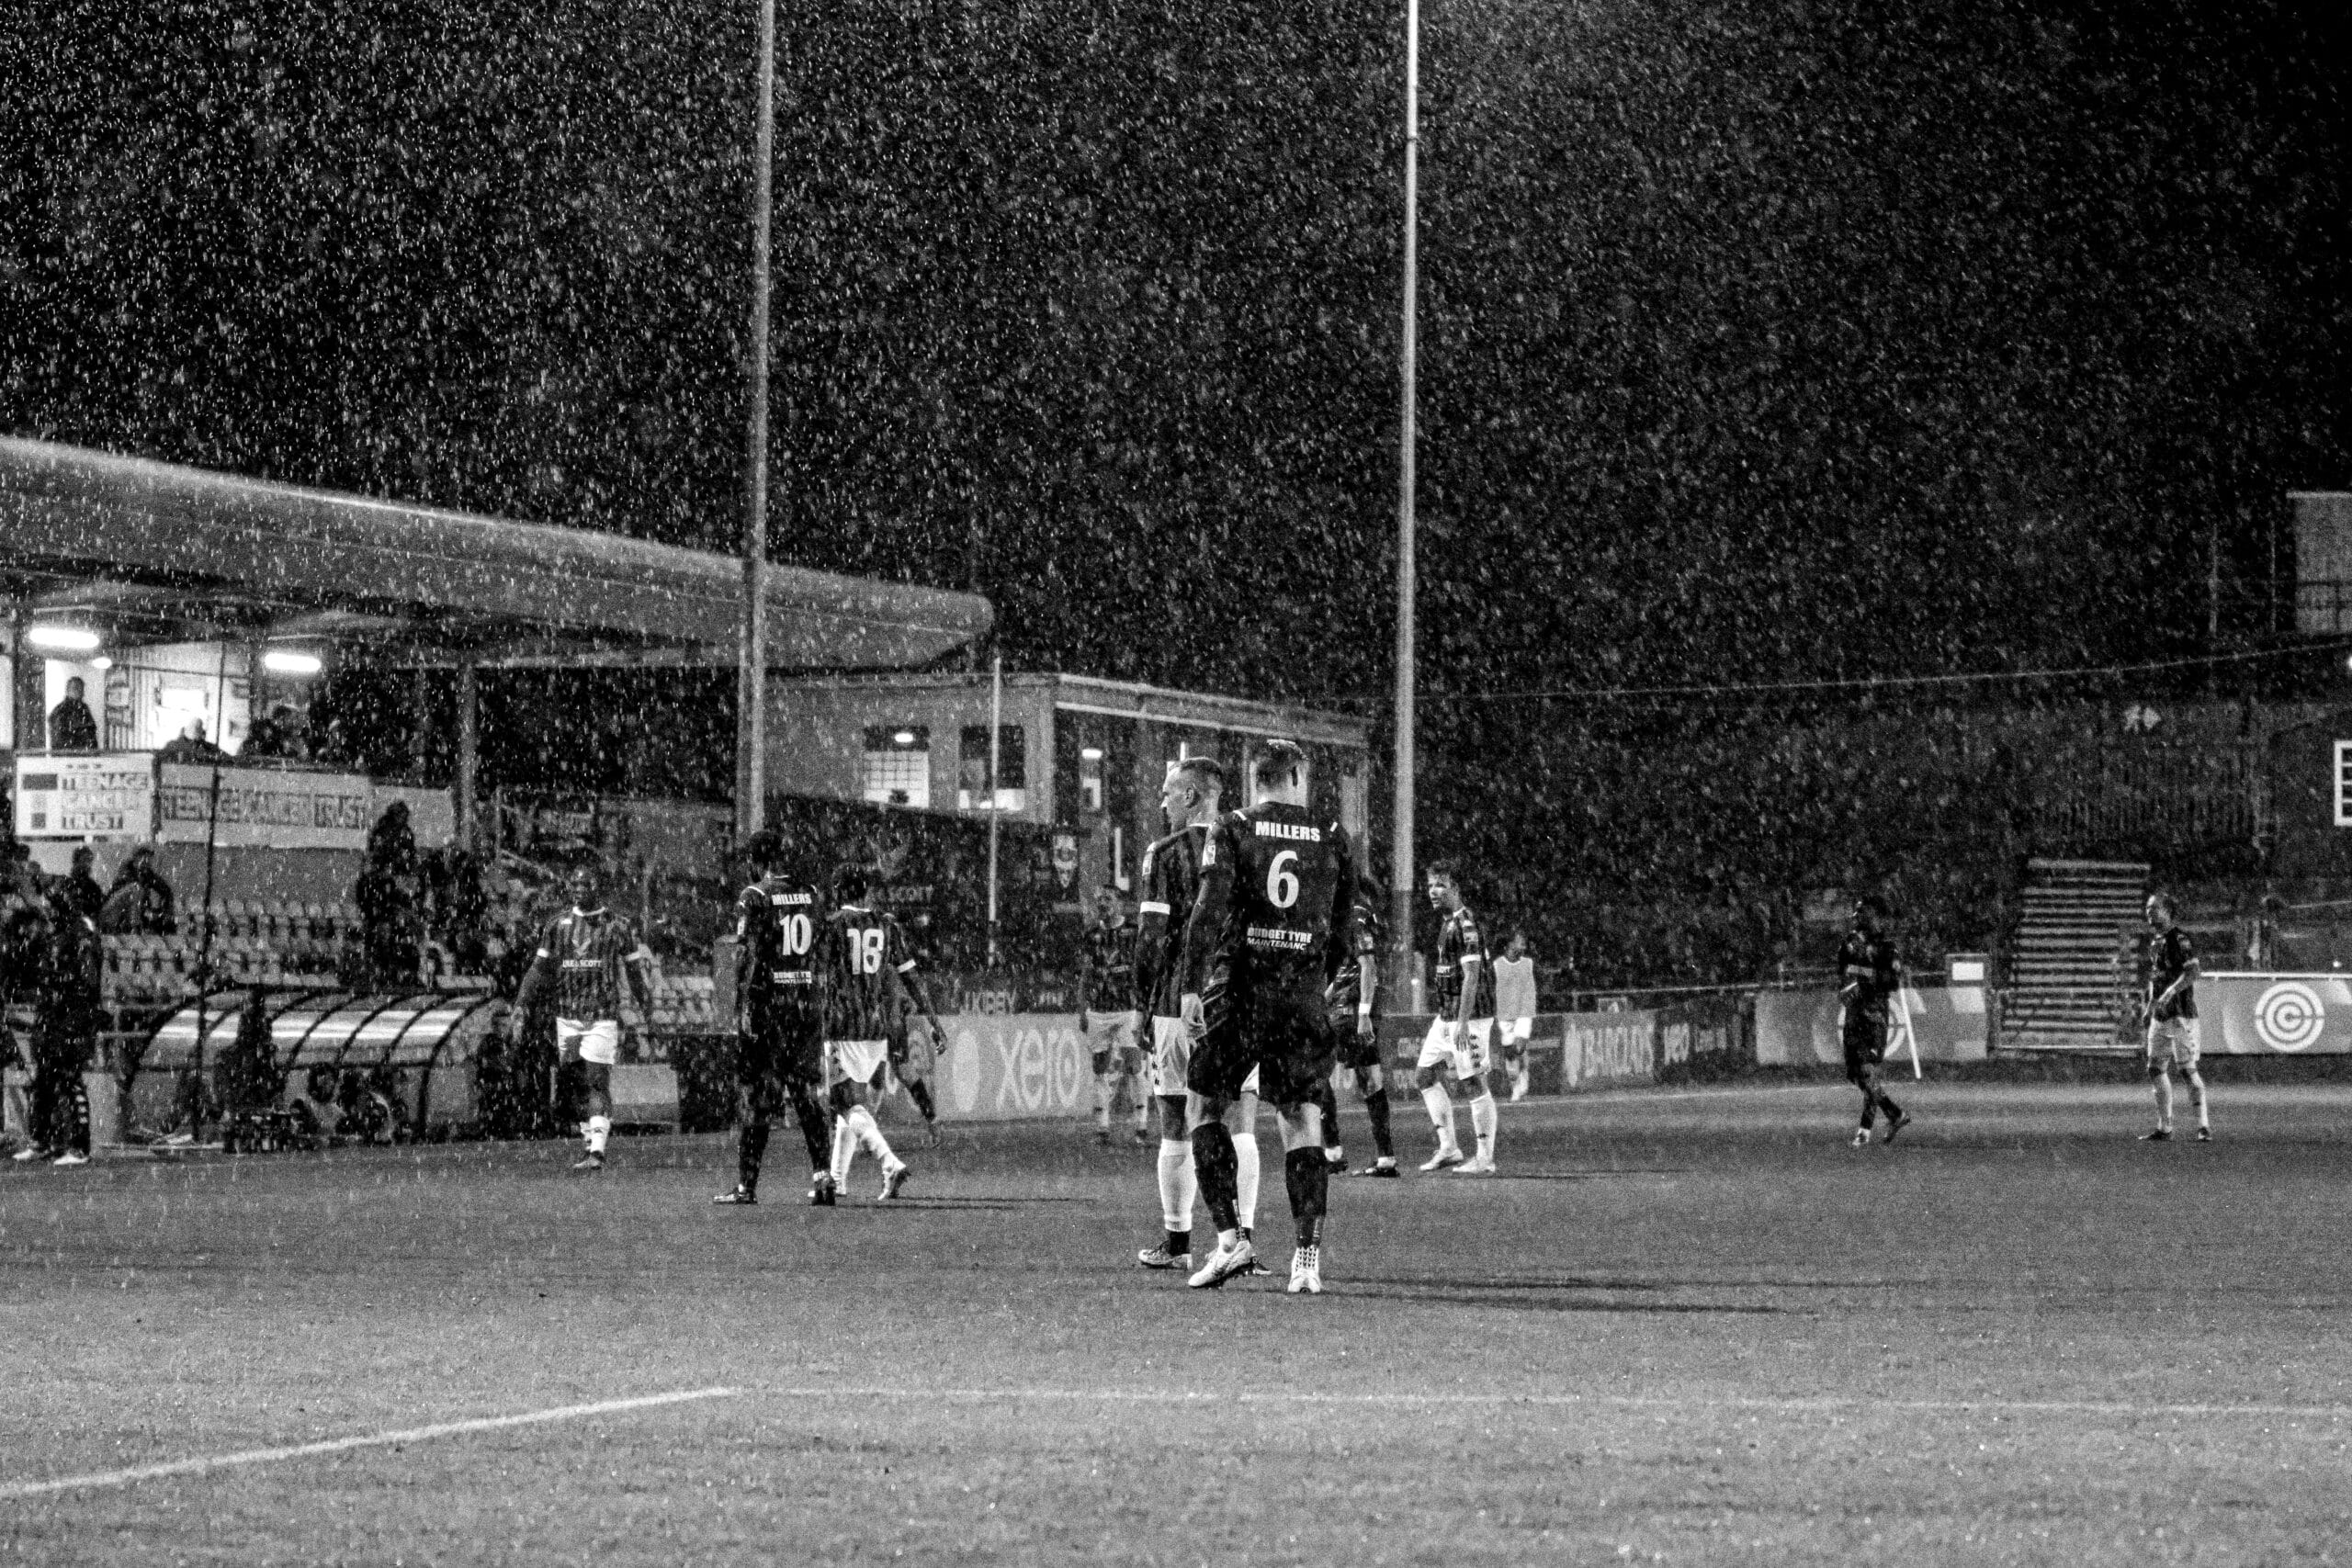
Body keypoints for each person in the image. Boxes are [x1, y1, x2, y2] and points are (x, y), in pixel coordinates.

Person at [1181, 739, 1356, 1295]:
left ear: (1255, 778)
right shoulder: (1331, 836)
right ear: (1298, 775)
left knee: (1205, 1104)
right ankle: (1307, 1259)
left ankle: (1232, 1242)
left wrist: (1190, 987)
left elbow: (1207, 910)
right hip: (1301, 991)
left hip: (1240, 989)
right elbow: (1343, 933)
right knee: (1301, 1117)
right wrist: (1311, 981)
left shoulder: (1232, 826)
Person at [1133, 758, 1267, 1272]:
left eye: (1168, 794)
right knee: (1241, 1121)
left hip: (1175, 1001)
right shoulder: (1248, 843)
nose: (1162, 804)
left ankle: (1179, 1240)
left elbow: (1150, 940)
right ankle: (1244, 1242)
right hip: (1237, 1001)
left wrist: (1144, 1002)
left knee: (1176, 1121)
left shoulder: (1165, 853)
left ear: (1190, 797)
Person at [714, 829, 839, 1206]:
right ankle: (823, 1178)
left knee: (758, 1096)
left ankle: (746, 1186)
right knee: (804, 1093)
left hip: (768, 1007)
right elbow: (822, 951)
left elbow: (746, 954)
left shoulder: (754, 896)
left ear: (759, 860)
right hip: (804, 1005)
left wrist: (744, 1006)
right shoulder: (813, 894)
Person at [512, 865, 655, 1172]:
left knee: (596, 1081)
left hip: (601, 1014)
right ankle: (590, 1144)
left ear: (598, 887)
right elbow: (538, 970)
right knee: (575, 1084)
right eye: (575, 886)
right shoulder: (558, 925)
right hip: (566, 1015)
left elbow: (634, 972)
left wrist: (647, 1006)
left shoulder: (617, 926)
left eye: (585, 885)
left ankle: (598, 1152)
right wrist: (522, 1003)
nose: (579, 890)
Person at [820, 864, 927, 1201]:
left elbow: (821, 975)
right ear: (864, 891)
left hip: (843, 1024)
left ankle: (889, 1163)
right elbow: (911, 977)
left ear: (838, 891)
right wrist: (934, 1022)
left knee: (843, 1102)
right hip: (875, 1026)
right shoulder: (886, 924)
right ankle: (837, 1180)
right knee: (852, 1106)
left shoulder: (833, 924)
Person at [1415, 862, 1501, 1173]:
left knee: (1473, 1082)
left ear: (1455, 889)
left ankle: (1484, 1158)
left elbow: (1472, 975)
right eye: (1430, 886)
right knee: (1424, 1075)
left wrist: (1464, 1022)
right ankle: (1449, 1148)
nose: (1433, 892)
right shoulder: (1447, 922)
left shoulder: (1465, 924)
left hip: (1470, 1017)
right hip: (1447, 1015)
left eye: (1440, 885)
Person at [1317, 885, 1399, 1177]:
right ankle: (1386, 1158)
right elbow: (1350, 969)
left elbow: (1368, 967)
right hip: (1351, 1006)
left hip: (1349, 1009)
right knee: (1371, 1080)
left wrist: (1363, 1014)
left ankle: (1332, 1152)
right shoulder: (1366, 917)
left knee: (1315, 1071)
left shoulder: (1353, 918)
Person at [27, 885, 102, 1166]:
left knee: (69, 1079)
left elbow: (87, 980)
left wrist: (64, 986)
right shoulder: (54, 935)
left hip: (72, 1017)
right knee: (42, 1081)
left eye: (52, 905)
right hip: (52, 1015)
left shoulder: (81, 935)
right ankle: (41, 1141)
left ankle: (79, 1147)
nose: (47, 910)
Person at [1838, 895, 1911, 1146]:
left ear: (1874, 916)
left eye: (1863, 913)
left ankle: (1864, 1132)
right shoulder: (1849, 943)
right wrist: (1847, 985)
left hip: (1874, 1016)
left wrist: (1863, 975)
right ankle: (1896, 1114)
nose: (1858, 919)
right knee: (1856, 1074)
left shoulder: (1887, 947)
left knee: (1869, 1073)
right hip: (1853, 1015)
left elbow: (1892, 980)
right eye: (1856, 914)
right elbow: (1842, 971)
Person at [1080, 886, 1148, 1145]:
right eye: (1098, 900)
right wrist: (1082, 1008)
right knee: (1100, 1068)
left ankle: (1141, 1128)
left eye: (1107, 899)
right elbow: (1086, 974)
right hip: (1098, 1010)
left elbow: (1143, 969)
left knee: (1134, 1065)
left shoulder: (1133, 932)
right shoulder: (1092, 935)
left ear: (1119, 903)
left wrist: (1144, 1005)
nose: (1102, 904)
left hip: (1127, 1009)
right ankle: (1102, 1130)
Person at [2140, 891, 2211, 1143]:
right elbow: (2156, 978)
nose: (2149, 912)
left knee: (2187, 1071)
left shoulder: (2180, 939)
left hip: (2181, 1015)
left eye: (2154, 908)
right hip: (2161, 1016)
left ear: (2167, 911)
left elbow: (2193, 972)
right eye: (2147, 908)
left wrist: (2170, 992)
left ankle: (2203, 1126)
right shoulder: (2155, 942)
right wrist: (2150, 1006)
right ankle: (2165, 1127)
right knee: (2155, 1068)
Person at [1494, 931, 1538, 1102]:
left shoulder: (1529, 963)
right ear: (1509, 945)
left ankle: (1523, 1075)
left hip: (1524, 1012)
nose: (1523, 945)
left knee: (1518, 1047)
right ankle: (1516, 1085)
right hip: (1505, 1014)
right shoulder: (1497, 965)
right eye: (1520, 942)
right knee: (1510, 1054)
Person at [99, 846, 175, 935]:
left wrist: (165, 910)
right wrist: (147, 911)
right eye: (144, 858)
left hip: (135, 912)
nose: (147, 862)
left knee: (165, 919)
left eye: (149, 859)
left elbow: (166, 891)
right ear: (136, 858)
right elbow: (132, 900)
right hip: (117, 913)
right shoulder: (126, 873)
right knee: (136, 889)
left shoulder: (146, 873)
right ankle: (133, 929)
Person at [47, 677, 98, 752]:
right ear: (67, 691)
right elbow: (59, 738)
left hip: (84, 756)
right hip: (67, 757)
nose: (79, 692)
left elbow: (91, 731)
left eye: (81, 689)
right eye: (75, 688)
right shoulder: (60, 711)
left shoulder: (83, 709)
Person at [58, 846, 104, 925]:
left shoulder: (92, 885)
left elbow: (100, 905)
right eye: (85, 860)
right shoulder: (66, 883)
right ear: (76, 862)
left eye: (89, 861)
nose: (88, 864)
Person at [156, 719, 227, 763]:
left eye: (195, 741)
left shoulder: (209, 747)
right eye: (190, 740)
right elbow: (158, 760)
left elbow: (225, 758)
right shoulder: (172, 746)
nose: (193, 743)